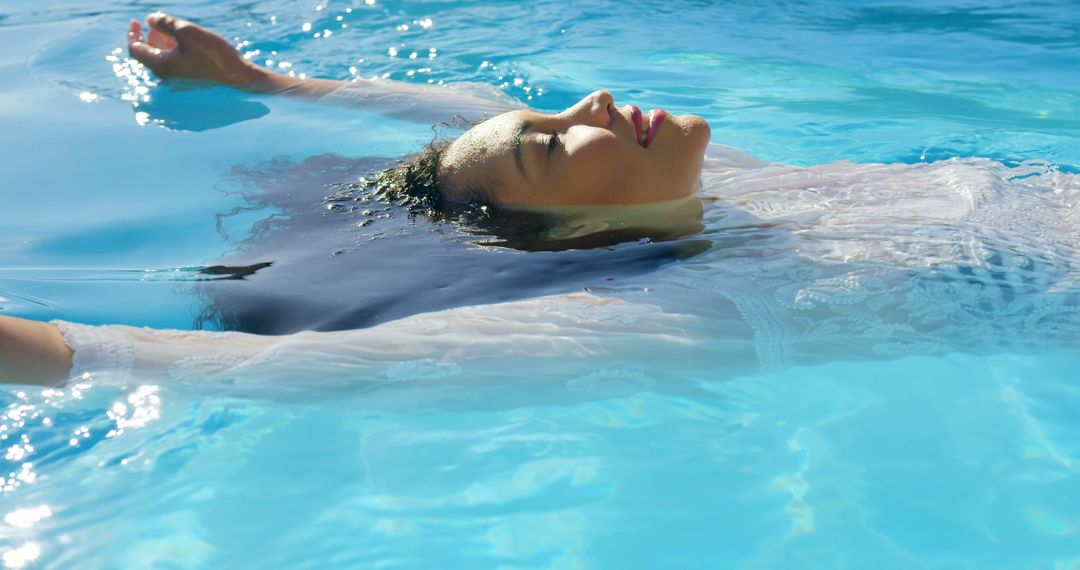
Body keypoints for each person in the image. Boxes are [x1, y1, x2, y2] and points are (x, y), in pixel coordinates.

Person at [3, 13, 1079, 389]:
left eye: (561, 116)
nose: (592, 103)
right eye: (555, 146)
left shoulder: (732, 195)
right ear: (576, 232)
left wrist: (271, 88)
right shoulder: (692, 313)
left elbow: (464, 103)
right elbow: (272, 372)